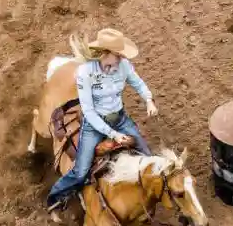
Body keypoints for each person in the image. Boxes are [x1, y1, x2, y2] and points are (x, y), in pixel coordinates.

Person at [46, 28, 159, 213]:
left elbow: (138, 82)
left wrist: (148, 100)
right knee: (81, 171)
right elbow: (89, 112)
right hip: (95, 125)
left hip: (120, 119)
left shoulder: (124, 66)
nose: (122, 58)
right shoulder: (85, 73)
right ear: (106, 53)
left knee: (147, 155)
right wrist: (114, 135)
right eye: (118, 55)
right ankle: (55, 198)